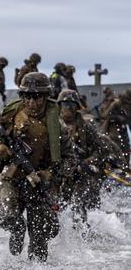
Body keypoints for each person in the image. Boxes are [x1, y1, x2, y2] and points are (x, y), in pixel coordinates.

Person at [0, 72, 74, 262]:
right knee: (5, 214)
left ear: (45, 97)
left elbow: (70, 159)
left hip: (39, 185)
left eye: (37, 97)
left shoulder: (57, 127)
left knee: (42, 236)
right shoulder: (10, 114)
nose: (32, 102)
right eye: (27, 96)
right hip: (14, 178)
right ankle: (17, 229)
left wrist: (50, 174)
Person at [57, 89, 109, 225]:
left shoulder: (85, 126)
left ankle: (82, 239)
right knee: (57, 207)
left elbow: (100, 150)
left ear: (77, 107)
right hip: (59, 173)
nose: (68, 108)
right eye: (65, 104)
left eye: (71, 105)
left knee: (78, 206)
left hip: (80, 172)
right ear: (59, 106)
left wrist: (86, 162)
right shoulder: (53, 125)